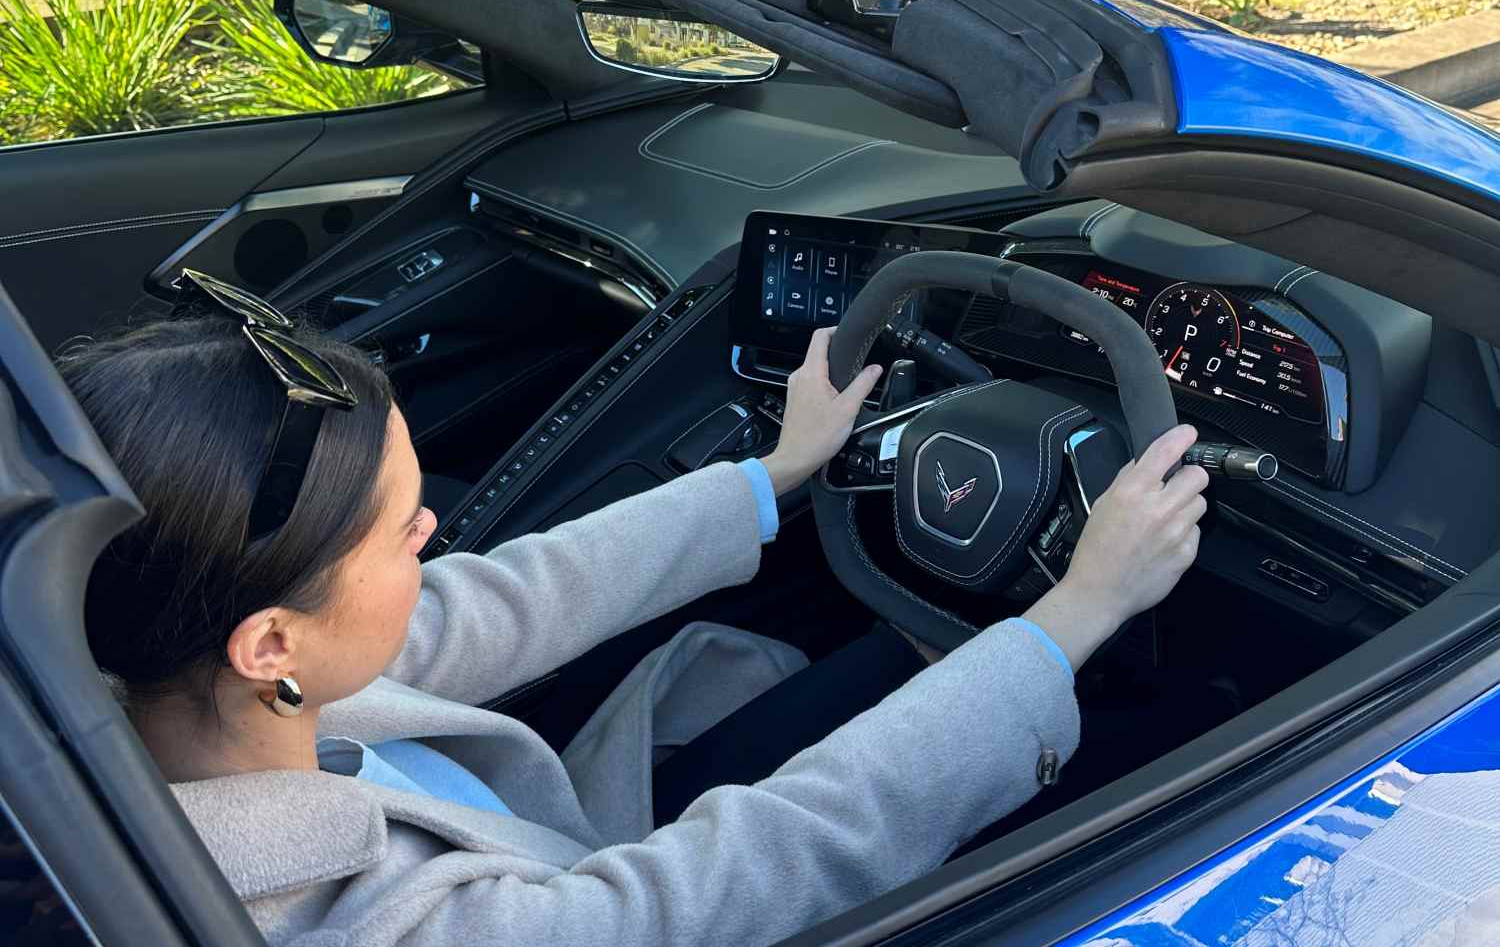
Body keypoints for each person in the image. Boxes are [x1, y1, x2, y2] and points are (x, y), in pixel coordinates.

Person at [60, 278, 1209, 947]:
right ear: (272, 644)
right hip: (618, 884)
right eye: (400, 525)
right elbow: (739, 872)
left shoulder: (147, 663)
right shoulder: (367, 929)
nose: (433, 535)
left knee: (869, 664)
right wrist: (1077, 612)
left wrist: (776, 471)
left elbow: (508, 597)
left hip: (558, 828)